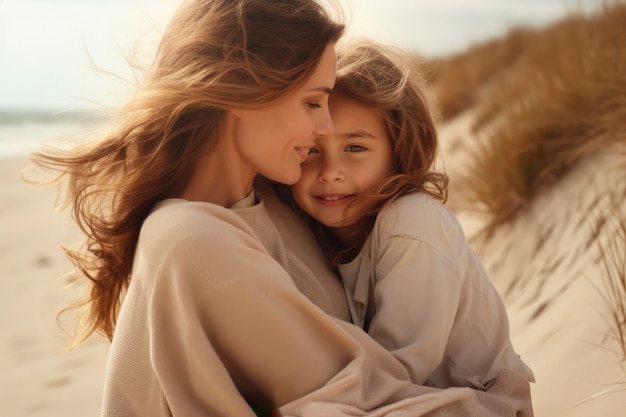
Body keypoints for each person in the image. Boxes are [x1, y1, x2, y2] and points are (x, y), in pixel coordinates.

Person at [29, 0, 533, 415]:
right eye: (313, 102)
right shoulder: (189, 237)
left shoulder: (288, 208)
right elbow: (361, 394)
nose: (322, 129)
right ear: (243, 92)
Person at [287, 38, 535, 390]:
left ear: (398, 151)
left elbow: (396, 370)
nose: (330, 171)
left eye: (355, 148)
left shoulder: (412, 221)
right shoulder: (315, 234)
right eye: (312, 149)